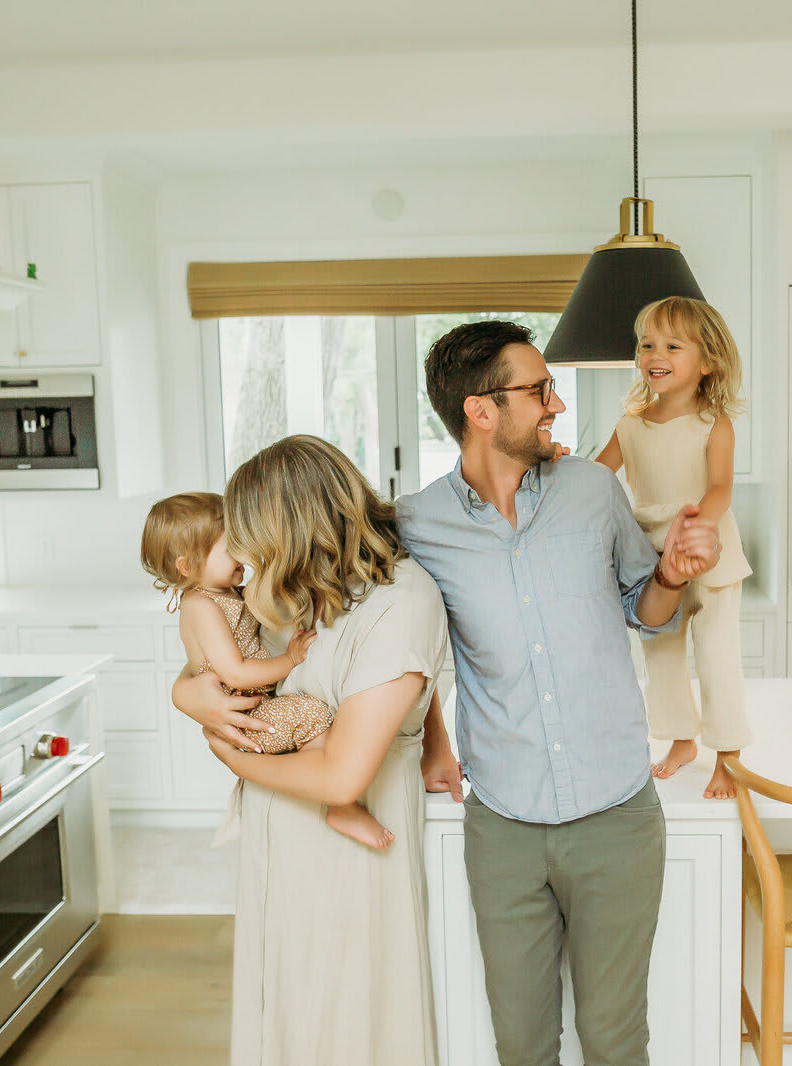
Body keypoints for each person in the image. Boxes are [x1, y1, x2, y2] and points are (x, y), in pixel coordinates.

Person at [397, 319, 722, 1066]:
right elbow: (406, 653)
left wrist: (671, 574)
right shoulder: (418, 526)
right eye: (539, 390)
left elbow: (648, 614)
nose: (557, 406)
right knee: (522, 1046)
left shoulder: (592, 489)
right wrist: (436, 746)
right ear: (482, 410)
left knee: (614, 1042)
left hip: (617, 816)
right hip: (504, 827)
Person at [169, 436, 461, 1066]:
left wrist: (226, 751)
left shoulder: (401, 599)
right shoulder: (296, 588)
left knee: (350, 1026)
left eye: (249, 534)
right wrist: (186, 694)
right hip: (281, 846)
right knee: (285, 1019)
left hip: (348, 865)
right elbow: (220, 662)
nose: (242, 555)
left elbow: (341, 774)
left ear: (291, 527)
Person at [141, 490, 393, 848]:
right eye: (229, 549)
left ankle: (328, 788)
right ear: (187, 566)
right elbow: (236, 674)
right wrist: (290, 660)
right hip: (247, 719)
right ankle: (338, 803)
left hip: (256, 706)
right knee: (313, 713)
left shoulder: (226, 591)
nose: (240, 554)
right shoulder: (200, 606)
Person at [595, 296, 753, 800]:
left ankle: (727, 756)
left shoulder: (714, 424)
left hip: (710, 555)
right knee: (660, 655)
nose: (653, 354)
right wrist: (557, 466)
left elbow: (721, 487)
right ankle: (683, 740)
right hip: (653, 562)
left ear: (707, 363)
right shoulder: (629, 424)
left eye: (671, 345)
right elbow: (597, 477)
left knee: (716, 655)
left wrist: (697, 530)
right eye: (646, 344)